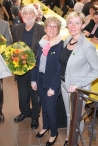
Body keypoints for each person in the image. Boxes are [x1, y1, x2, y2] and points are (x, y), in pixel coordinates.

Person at [60, 11, 98, 146]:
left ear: (83, 25)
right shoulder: (67, 39)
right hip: (64, 84)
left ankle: (74, 141)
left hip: (78, 88)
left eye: (77, 23)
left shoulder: (87, 46)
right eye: (70, 22)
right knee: (69, 115)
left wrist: (78, 84)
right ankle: (70, 138)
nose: (73, 26)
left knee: (76, 117)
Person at [11, 5, 45, 129]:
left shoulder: (41, 29)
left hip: (35, 69)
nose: (28, 16)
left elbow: (44, 49)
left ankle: (35, 117)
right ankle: (24, 112)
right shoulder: (17, 28)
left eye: (31, 13)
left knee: (35, 96)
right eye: (26, 13)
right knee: (23, 93)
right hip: (20, 69)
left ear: (35, 16)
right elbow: (14, 47)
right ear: (22, 15)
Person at [31, 16, 63, 146]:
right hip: (40, 80)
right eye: (49, 26)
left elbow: (60, 69)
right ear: (45, 28)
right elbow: (36, 63)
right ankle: (45, 126)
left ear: (58, 30)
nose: (52, 29)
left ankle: (54, 133)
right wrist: (34, 79)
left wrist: (53, 87)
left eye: (55, 27)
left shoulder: (60, 44)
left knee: (50, 108)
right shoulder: (41, 42)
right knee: (43, 106)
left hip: (52, 82)